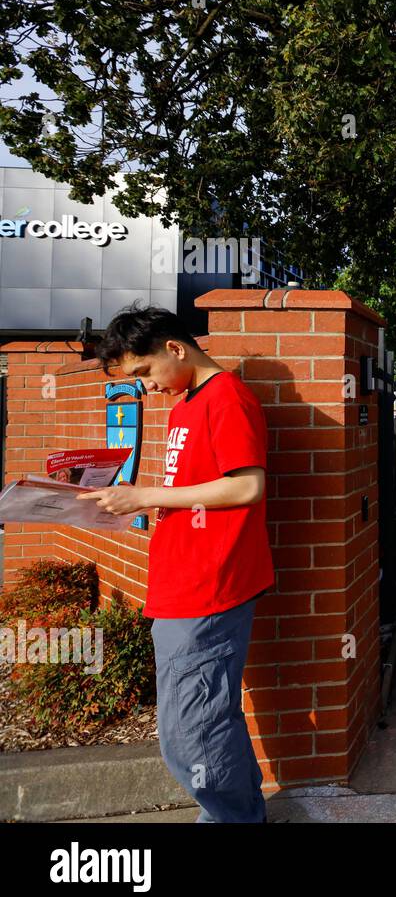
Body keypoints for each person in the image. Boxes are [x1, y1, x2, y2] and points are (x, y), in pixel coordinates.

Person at [78, 302, 273, 823]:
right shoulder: (188, 402)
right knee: (207, 724)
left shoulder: (226, 398)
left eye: (143, 372)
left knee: (192, 738)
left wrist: (147, 497)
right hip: (181, 586)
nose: (145, 386)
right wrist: (150, 497)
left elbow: (247, 485)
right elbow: (195, 489)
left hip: (209, 588)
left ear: (174, 347)